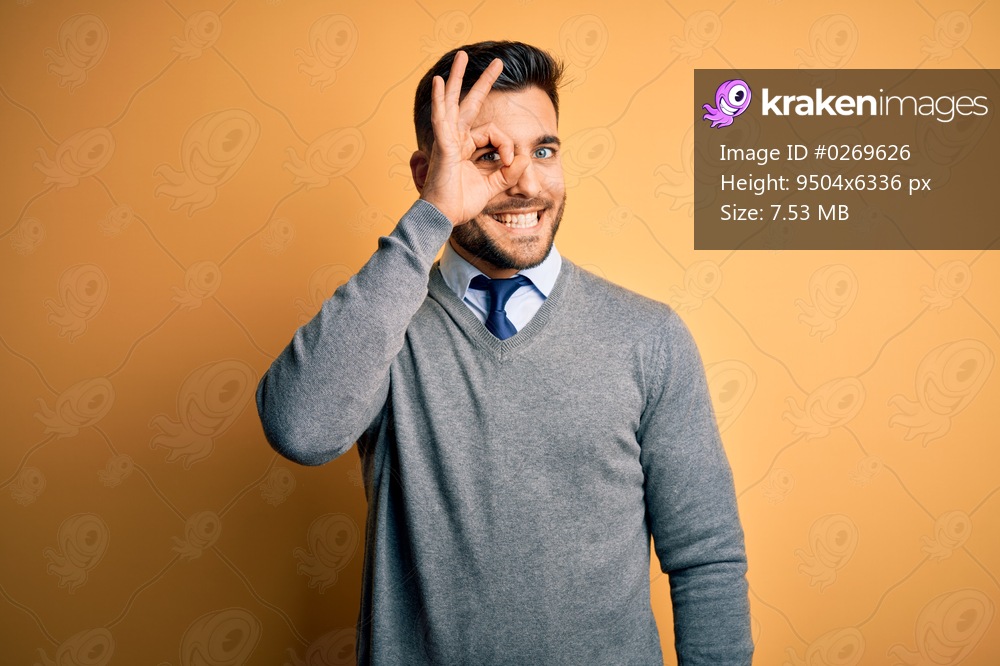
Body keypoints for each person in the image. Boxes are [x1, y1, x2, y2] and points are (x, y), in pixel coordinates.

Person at [257, 41, 752, 665]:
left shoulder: (648, 337)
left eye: (544, 150)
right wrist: (429, 219)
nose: (524, 181)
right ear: (426, 171)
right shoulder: (385, 328)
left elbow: (705, 558)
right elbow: (299, 429)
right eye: (486, 154)